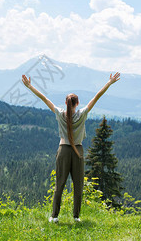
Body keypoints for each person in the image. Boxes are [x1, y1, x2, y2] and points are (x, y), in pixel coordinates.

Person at [21, 72, 120, 223]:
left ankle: (54, 216)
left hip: (63, 151)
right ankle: (76, 217)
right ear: (77, 103)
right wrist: (109, 83)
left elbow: (44, 98)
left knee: (59, 184)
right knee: (78, 185)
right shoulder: (82, 114)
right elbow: (97, 96)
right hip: (78, 151)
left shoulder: (60, 113)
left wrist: (29, 86)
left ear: (66, 103)